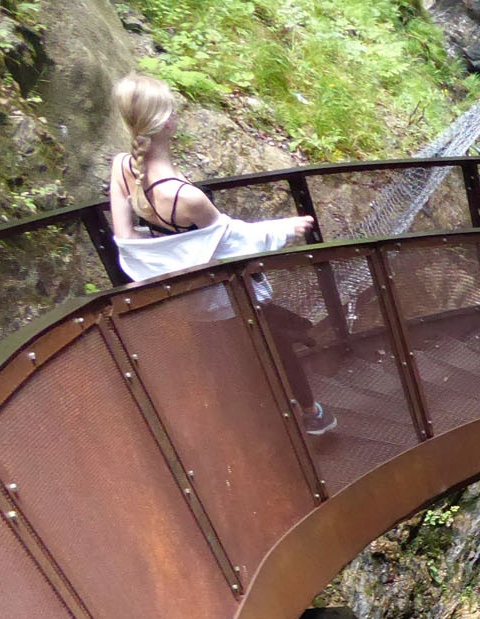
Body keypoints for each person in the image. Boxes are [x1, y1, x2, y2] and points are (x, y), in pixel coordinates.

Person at [107, 73, 336, 435]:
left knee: (225, 356)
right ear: (165, 122)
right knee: (274, 345)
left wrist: (172, 246)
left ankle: (250, 420)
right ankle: (311, 414)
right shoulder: (185, 196)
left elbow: (127, 239)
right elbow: (235, 241)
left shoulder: (123, 167)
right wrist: (284, 228)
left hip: (184, 297)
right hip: (225, 296)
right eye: (172, 109)